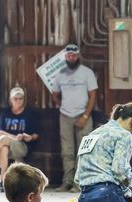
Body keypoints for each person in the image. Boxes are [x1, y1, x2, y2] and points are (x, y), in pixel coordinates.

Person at [52, 44, 97, 192]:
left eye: (74, 55)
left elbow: (93, 96)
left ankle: (79, 183)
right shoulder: (60, 74)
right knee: (67, 151)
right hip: (65, 116)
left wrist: (85, 115)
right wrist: (60, 105)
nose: (71, 57)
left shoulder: (87, 73)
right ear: (65, 57)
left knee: (83, 150)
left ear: (78, 56)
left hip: (83, 115)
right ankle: (67, 181)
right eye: (68, 55)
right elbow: (55, 93)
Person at [0, 86, 39, 187]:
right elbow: (0, 132)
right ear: (11, 99)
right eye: (15, 99)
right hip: (9, 145)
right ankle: (2, 181)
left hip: (22, 147)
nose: (18, 101)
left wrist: (29, 137)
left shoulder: (29, 113)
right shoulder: (5, 113)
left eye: (20, 98)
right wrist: (14, 137)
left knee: (3, 140)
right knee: (3, 149)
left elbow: (36, 135)